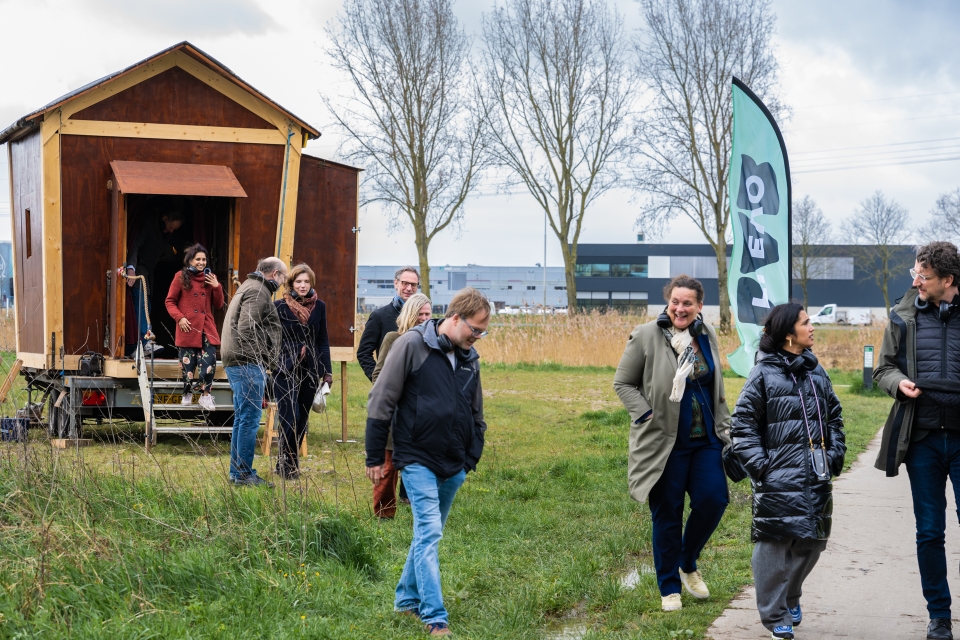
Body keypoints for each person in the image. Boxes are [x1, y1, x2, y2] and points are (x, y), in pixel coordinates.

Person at [365, 287, 490, 637]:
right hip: (416, 456)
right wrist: (375, 455)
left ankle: (405, 600)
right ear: (454, 318)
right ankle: (435, 617)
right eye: (475, 329)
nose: (478, 337)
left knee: (426, 535)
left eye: (482, 331)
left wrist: (470, 458)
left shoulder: (470, 357)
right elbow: (380, 401)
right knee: (430, 532)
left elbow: (476, 412)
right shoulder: (411, 346)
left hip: (455, 462)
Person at [613, 275, 731, 613]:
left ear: (699, 306)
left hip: (705, 438)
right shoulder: (647, 335)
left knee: (714, 499)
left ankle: (687, 561)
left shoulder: (705, 335)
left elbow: (713, 384)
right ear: (668, 302)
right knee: (668, 514)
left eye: (688, 303)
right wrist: (646, 414)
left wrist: (725, 426)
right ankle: (669, 587)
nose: (680, 308)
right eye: (675, 302)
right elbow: (623, 383)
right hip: (664, 442)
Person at [731, 303, 846, 640]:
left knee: (814, 541)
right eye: (806, 323)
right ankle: (775, 614)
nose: (813, 327)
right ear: (787, 333)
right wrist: (762, 468)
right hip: (777, 475)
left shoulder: (815, 371)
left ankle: (790, 596)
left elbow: (835, 416)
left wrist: (834, 453)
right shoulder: (763, 374)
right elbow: (742, 425)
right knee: (773, 545)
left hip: (815, 474)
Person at [874, 241, 960, 640]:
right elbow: (883, 370)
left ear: (948, 280)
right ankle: (939, 616)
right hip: (922, 441)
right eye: (915, 273)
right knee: (929, 531)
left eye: (923, 276)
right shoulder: (902, 315)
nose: (916, 281)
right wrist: (898, 383)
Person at [221, 257, 287, 487]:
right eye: (283, 278)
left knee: (242, 418)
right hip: (247, 362)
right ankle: (244, 474)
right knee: (249, 420)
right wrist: (261, 360)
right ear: (275, 274)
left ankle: (236, 472)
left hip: (236, 360)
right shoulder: (259, 291)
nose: (283, 283)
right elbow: (247, 329)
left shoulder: (247, 287)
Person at [371, 292, 432, 518]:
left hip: (423, 415)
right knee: (388, 468)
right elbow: (378, 376)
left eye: (428, 314)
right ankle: (384, 514)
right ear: (410, 314)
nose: (425, 318)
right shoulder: (393, 339)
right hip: (395, 414)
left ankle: (423, 511)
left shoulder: (434, 343)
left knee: (420, 466)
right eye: (420, 314)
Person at [273, 264, 332, 480]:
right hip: (284, 368)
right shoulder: (279, 307)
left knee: (302, 419)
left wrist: (327, 372)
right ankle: (289, 464)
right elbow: (271, 338)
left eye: (307, 282)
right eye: (299, 281)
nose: (303, 285)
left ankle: (286, 461)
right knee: (290, 416)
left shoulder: (320, 307)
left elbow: (323, 340)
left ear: (312, 283)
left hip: (310, 369)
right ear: (291, 284)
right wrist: (274, 361)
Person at [164, 244, 224, 412]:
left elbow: (218, 305)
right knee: (188, 366)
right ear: (190, 260)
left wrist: (216, 286)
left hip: (206, 327)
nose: (201, 262)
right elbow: (169, 301)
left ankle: (205, 396)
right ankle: (187, 392)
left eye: (204, 259)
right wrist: (180, 318)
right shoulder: (180, 277)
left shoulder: (210, 278)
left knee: (209, 361)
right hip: (187, 326)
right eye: (198, 259)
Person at [125, 205, 185, 354]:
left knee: (147, 306)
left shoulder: (167, 233)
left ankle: (144, 342)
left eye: (174, 229)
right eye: (171, 226)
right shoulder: (148, 226)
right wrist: (131, 267)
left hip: (149, 271)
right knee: (140, 304)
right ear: (164, 218)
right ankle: (143, 343)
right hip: (139, 268)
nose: (171, 231)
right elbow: (135, 245)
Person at [357, 266, 421, 381]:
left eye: (413, 285)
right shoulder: (379, 316)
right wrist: (378, 380)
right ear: (396, 283)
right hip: (391, 384)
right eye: (405, 283)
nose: (409, 288)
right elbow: (364, 352)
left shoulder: (422, 317)